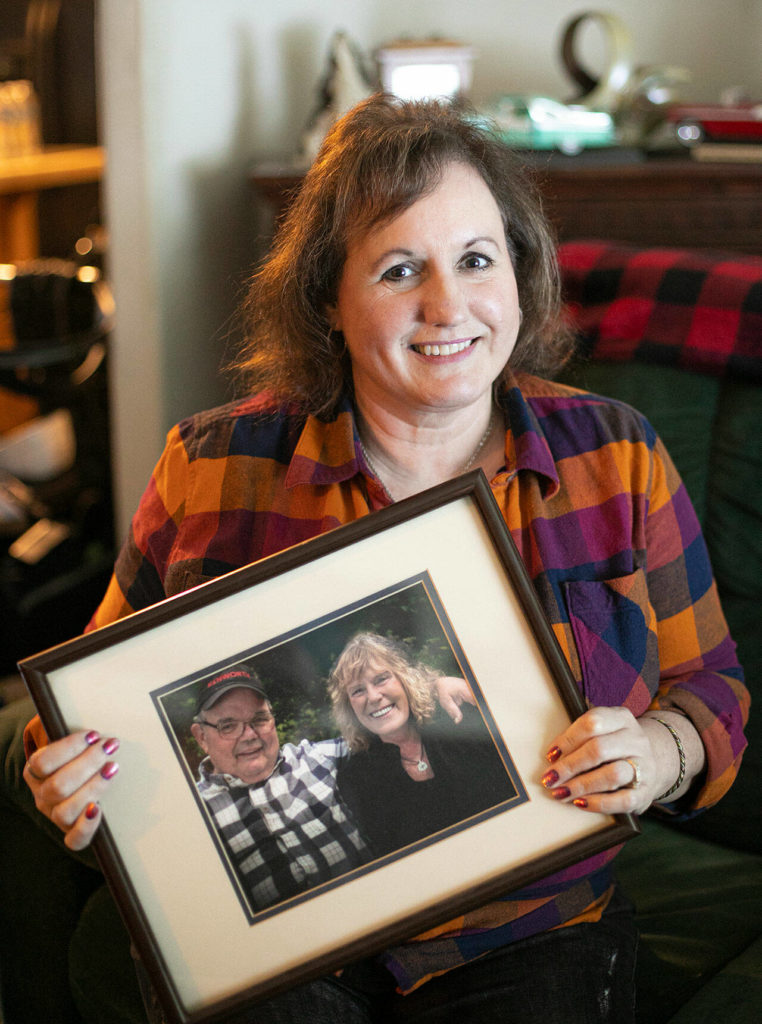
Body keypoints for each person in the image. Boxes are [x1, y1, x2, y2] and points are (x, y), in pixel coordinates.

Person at [23, 94, 748, 1023]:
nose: (448, 306)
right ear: (328, 297)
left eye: (477, 260)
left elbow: (712, 685)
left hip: (536, 926)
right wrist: (65, 768)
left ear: (518, 274)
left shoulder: (616, 453)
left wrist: (659, 749)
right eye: (400, 270)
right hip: (281, 940)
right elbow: (93, 704)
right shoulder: (212, 470)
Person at [189, 665, 371, 913]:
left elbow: (389, 733)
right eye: (228, 726)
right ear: (201, 737)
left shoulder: (318, 759)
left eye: (259, 719)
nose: (249, 735)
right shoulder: (192, 818)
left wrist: (437, 687)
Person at [329, 632, 516, 857]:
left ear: (405, 679)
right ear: (349, 707)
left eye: (381, 679)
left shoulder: (456, 720)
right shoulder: (357, 778)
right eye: (358, 691)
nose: (373, 696)